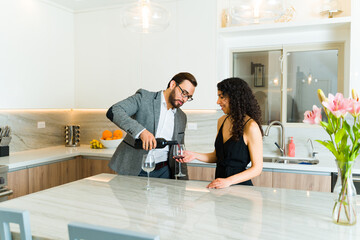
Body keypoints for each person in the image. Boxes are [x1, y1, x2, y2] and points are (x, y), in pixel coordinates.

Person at [106, 72, 197, 179]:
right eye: (184, 93)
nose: (185, 99)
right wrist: (141, 132)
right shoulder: (144, 98)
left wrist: (183, 181)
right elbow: (115, 110)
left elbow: (179, 150)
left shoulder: (181, 117)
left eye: (188, 97)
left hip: (164, 172)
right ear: (172, 85)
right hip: (136, 168)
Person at [179, 77, 263, 188]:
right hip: (220, 186)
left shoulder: (251, 126)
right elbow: (217, 156)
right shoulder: (222, 121)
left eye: (222, 97)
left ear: (235, 98)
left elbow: (257, 169)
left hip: (240, 188)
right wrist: (194, 155)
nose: (218, 102)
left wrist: (228, 181)